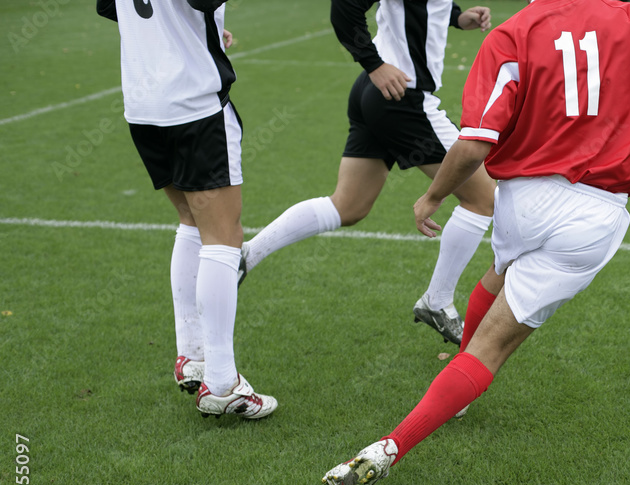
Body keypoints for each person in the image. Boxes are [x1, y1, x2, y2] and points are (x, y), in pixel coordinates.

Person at [323, 0, 630, 485]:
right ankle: (389, 447)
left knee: (497, 274)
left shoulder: (511, 35)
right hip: (593, 211)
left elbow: (474, 143)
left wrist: (432, 195)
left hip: (523, 199)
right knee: (492, 349)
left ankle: (434, 411)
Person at [237, 0, 496, 346]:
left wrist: (456, 17)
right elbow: (344, 7)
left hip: (377, 96)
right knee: (484, 199)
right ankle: (437, 300)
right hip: (403, 99)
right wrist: (374, 65)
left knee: (348, 206)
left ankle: (245, 256)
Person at [97, 0, 277, 419]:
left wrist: (197, 33)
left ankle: (192, 356)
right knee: (224, 238)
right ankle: (222, 383)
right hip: (193, 104)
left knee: (191, 222)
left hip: (143, 103)